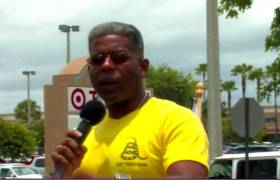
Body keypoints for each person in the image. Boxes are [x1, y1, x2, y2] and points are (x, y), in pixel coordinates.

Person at [51, 21, 209, 179]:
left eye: (119, 58)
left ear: (143, 67)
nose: (106, 65)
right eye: (97, 59)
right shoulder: (87, 134)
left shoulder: (176, 120)